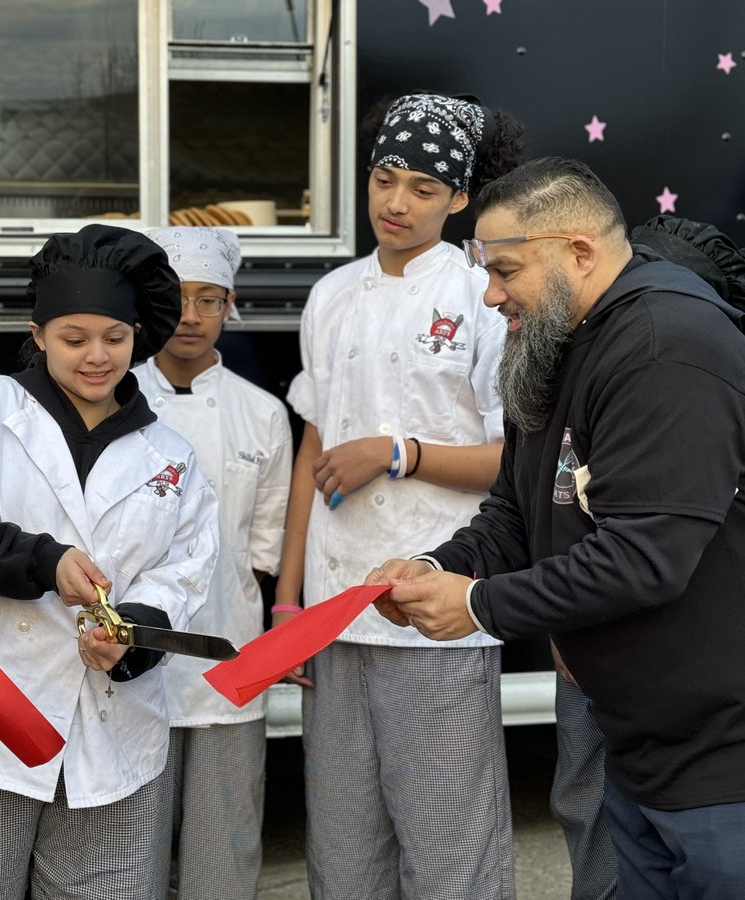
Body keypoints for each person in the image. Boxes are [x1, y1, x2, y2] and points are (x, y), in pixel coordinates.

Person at [373, 156, 745, 898]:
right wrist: (437, 566)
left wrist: (478, 607)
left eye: (506, 270)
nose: (490, 295)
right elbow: (519, 508)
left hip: (722, 761)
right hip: (640, 747)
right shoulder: (549, 344)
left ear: (580, 251)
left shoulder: (666, 347)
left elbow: (645, 556)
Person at [0, 223, 219, 900]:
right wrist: (45, 561)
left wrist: (128, 633)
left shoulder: (171, 456)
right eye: (74, 338)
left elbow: (185, 572)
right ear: (38, 333)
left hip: (112, 739)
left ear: (138, 335)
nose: (96, 357)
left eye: (115, 338)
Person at [274, 92, 524, 899]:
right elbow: (313, 445)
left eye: (423, 186)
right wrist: (287, 598)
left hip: (434, 602)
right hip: (333, 604)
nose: (396, 201)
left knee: (450, 844)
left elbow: (511, 460)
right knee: (344, 850)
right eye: (386, 178)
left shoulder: (480, 296)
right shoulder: (331, 295)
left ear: (459, 199)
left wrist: (399, 454)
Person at [137, 226, 293, 899]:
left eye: (211, 299)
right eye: (177, 298)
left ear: (231, 307)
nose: (192, 316)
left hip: (231, 652)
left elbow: (264, 548)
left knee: (224, 846)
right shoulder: (114, 400)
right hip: (129, 658)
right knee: (128, 849)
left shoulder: (261, 415)